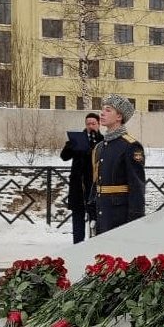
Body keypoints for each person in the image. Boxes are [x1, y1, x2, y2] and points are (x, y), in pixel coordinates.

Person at [90, 94, 146, 235]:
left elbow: (137, 186)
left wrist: (135, 220)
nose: (102, 113)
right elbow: (97, 182)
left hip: (120, 217)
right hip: (102, 214)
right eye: (102, 109)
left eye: (108, 110)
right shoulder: (100, 147)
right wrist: (91, 211)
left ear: (119, 116)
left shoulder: (130, 146)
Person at [60, 112, 101, 244]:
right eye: (88, 123)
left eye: (93, 123)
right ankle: (78, 244)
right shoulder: (77, 139)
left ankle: (95, 244)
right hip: (78, 185)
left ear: (99, 124)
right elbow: (64, 156)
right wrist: (71, 146)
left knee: (95, 216)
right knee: (78, 216)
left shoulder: (103, 141)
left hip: (94, 185)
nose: (90, 126)